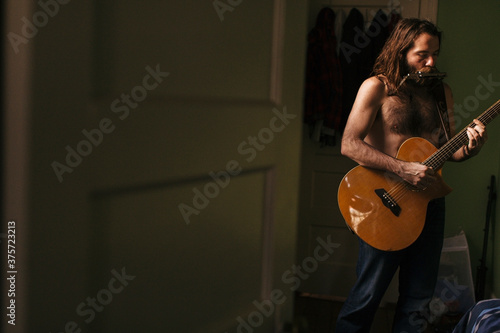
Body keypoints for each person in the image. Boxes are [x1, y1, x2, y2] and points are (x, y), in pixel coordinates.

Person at [335, 18, 488, 332]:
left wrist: (472, 146)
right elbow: (349, 144)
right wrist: (402, 168)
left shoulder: (440, 92)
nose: (431, 62)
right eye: (422, 55)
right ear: (401, 50)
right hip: (385, 203)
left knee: (419, 302)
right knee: (366, 296)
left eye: (435, 54)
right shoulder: (377, 87)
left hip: (429, 205)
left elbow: (450, 149)